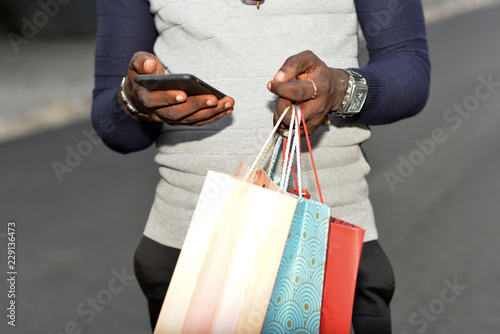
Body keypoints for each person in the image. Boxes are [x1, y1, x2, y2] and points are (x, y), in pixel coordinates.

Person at [92, 0, 430, 333]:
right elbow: (115, 129)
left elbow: (410, 72)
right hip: (188, 253)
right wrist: (134, 101)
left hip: (325, 250)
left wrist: (341, 89)